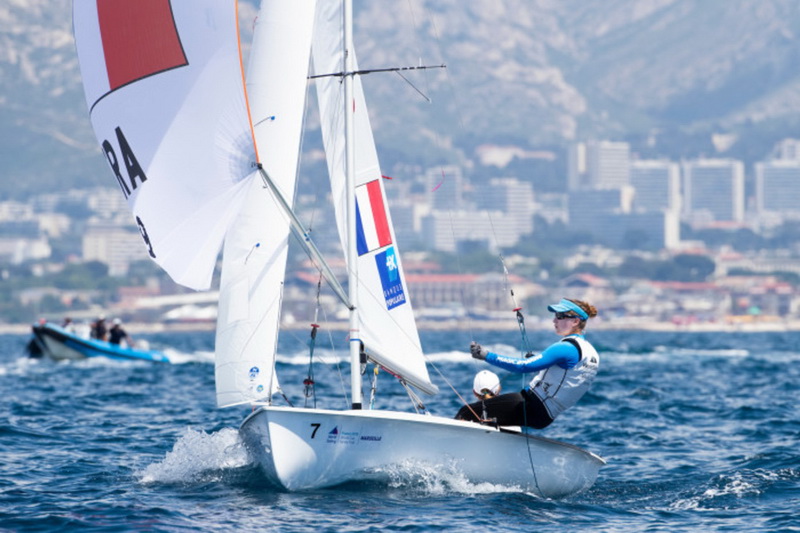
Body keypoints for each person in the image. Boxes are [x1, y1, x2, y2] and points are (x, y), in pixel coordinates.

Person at [457, 298, 600, 429]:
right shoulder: (590, 351)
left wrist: (487, 355)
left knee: (465, 413)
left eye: (560, 316)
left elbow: (523, 366)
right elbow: (566, 377)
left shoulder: (566, 347)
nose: (554, 320)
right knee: (488, 419)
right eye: (555, 316)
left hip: (533, 406)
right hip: (545, 415)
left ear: (575, 321)